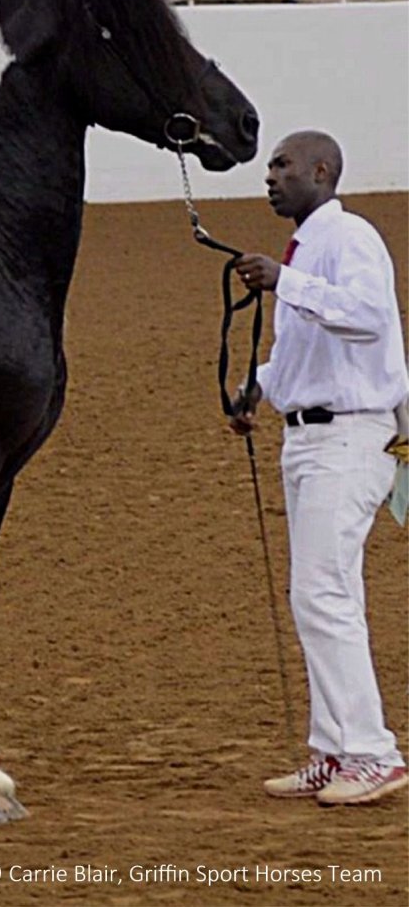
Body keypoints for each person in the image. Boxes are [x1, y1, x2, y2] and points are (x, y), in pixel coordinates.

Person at [230, 130, 408, 806]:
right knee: (325, 596)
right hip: (309, 439)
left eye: (282, 165)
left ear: (321, 171)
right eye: (270, 168)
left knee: (322, 594)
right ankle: (334, 752)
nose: (270, 177)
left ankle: (373, 754)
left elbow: (368, 318)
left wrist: (288, 283)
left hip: (349, 437)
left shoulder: (350, 236)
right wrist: (258, 385)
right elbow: (306, 357)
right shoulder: (307, 249)